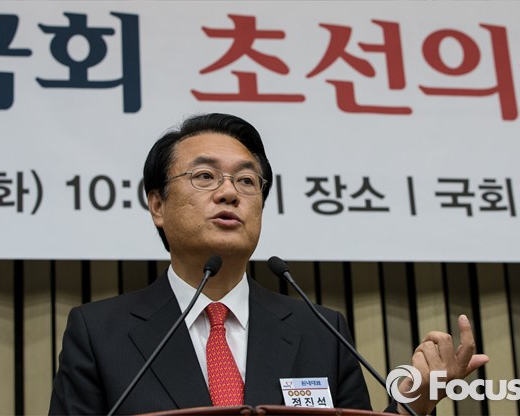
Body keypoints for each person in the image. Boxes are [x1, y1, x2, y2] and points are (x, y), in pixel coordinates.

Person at [48, 113, 488, 415]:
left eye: (246, 180)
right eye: (204, 176)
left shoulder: (320, 330)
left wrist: (414, 404)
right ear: (158, 205)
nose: (229, 193)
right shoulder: (99, 332)